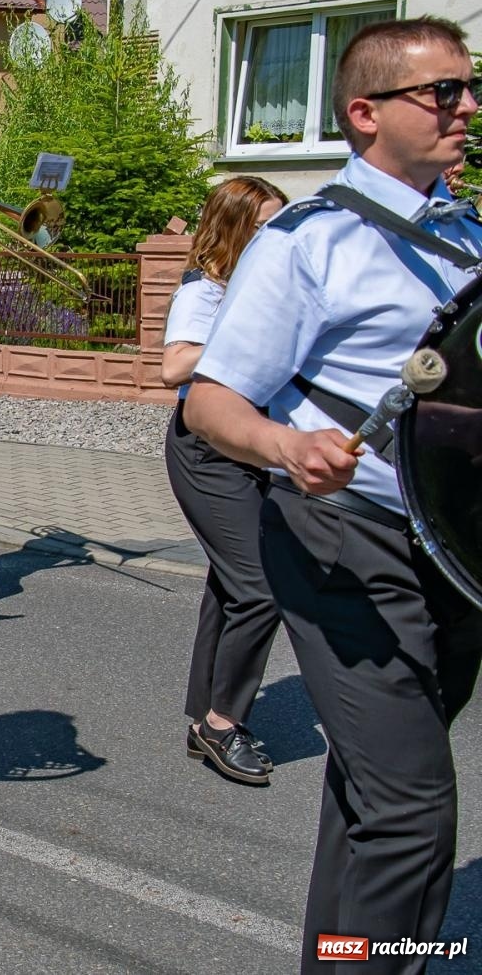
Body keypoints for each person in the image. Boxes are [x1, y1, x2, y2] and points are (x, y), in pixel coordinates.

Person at [185, 17, 482, 972]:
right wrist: (286, 443)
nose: (467, 108)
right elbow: (209, 402)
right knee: (413, 814)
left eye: (470, 89)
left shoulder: (470, 234)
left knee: (371, 788)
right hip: (342, 536)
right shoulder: (307, 242)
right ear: (366, 112)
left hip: (451, 545)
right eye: (444, 92)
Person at [160, 176, 287, 786]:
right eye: (265, 226)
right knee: (260, 588)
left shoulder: (257, 288)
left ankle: (205, 713)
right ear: (235, 228)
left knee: (230, 581)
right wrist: (237, 326)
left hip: (249, 449)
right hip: (205, 452)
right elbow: (173, 366)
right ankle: (222, 722)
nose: (276, 237)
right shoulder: (205, 293)